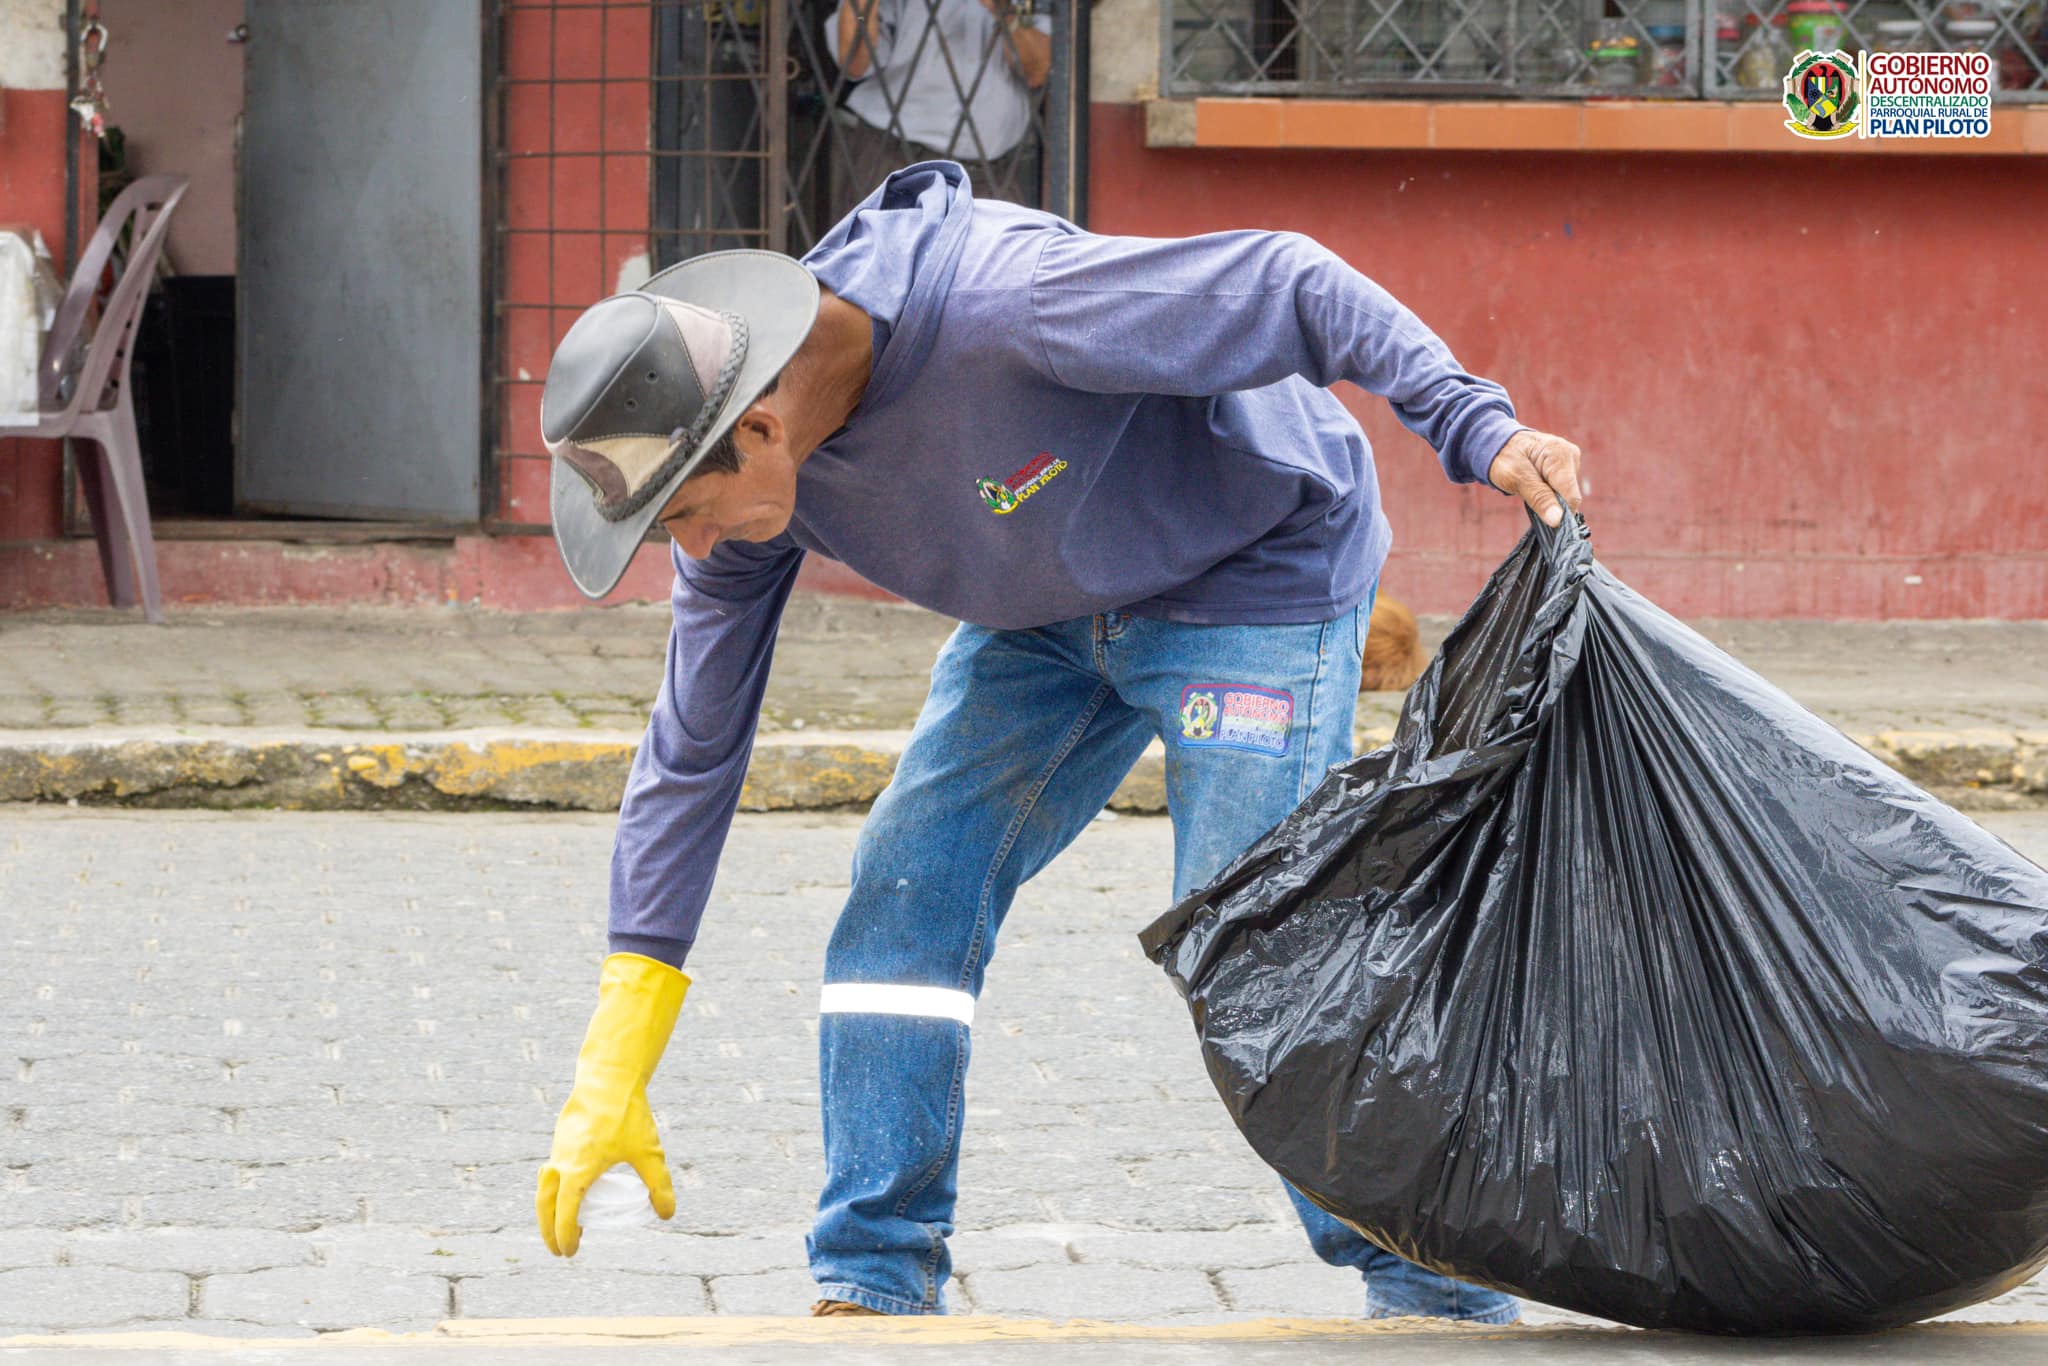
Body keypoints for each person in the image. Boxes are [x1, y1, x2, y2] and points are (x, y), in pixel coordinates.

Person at [533, 162, 1584, 1321]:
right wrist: (619, 1040)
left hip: (1247, 576)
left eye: (682, 517)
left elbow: (1290, 280)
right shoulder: (739, 501)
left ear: (761, 425)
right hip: (1038, 613)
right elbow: (694, 745)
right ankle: (874, 1280)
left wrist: (1473, 423)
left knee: (1251, 935)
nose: (690, 552)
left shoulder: (1010, 301)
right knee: (907, 881)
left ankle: (1434, 1292)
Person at [826, 0, 1049, 219]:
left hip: (994, 175)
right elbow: (853, 62)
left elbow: (1038, 71)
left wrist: (1005, 10)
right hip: (896, 162)